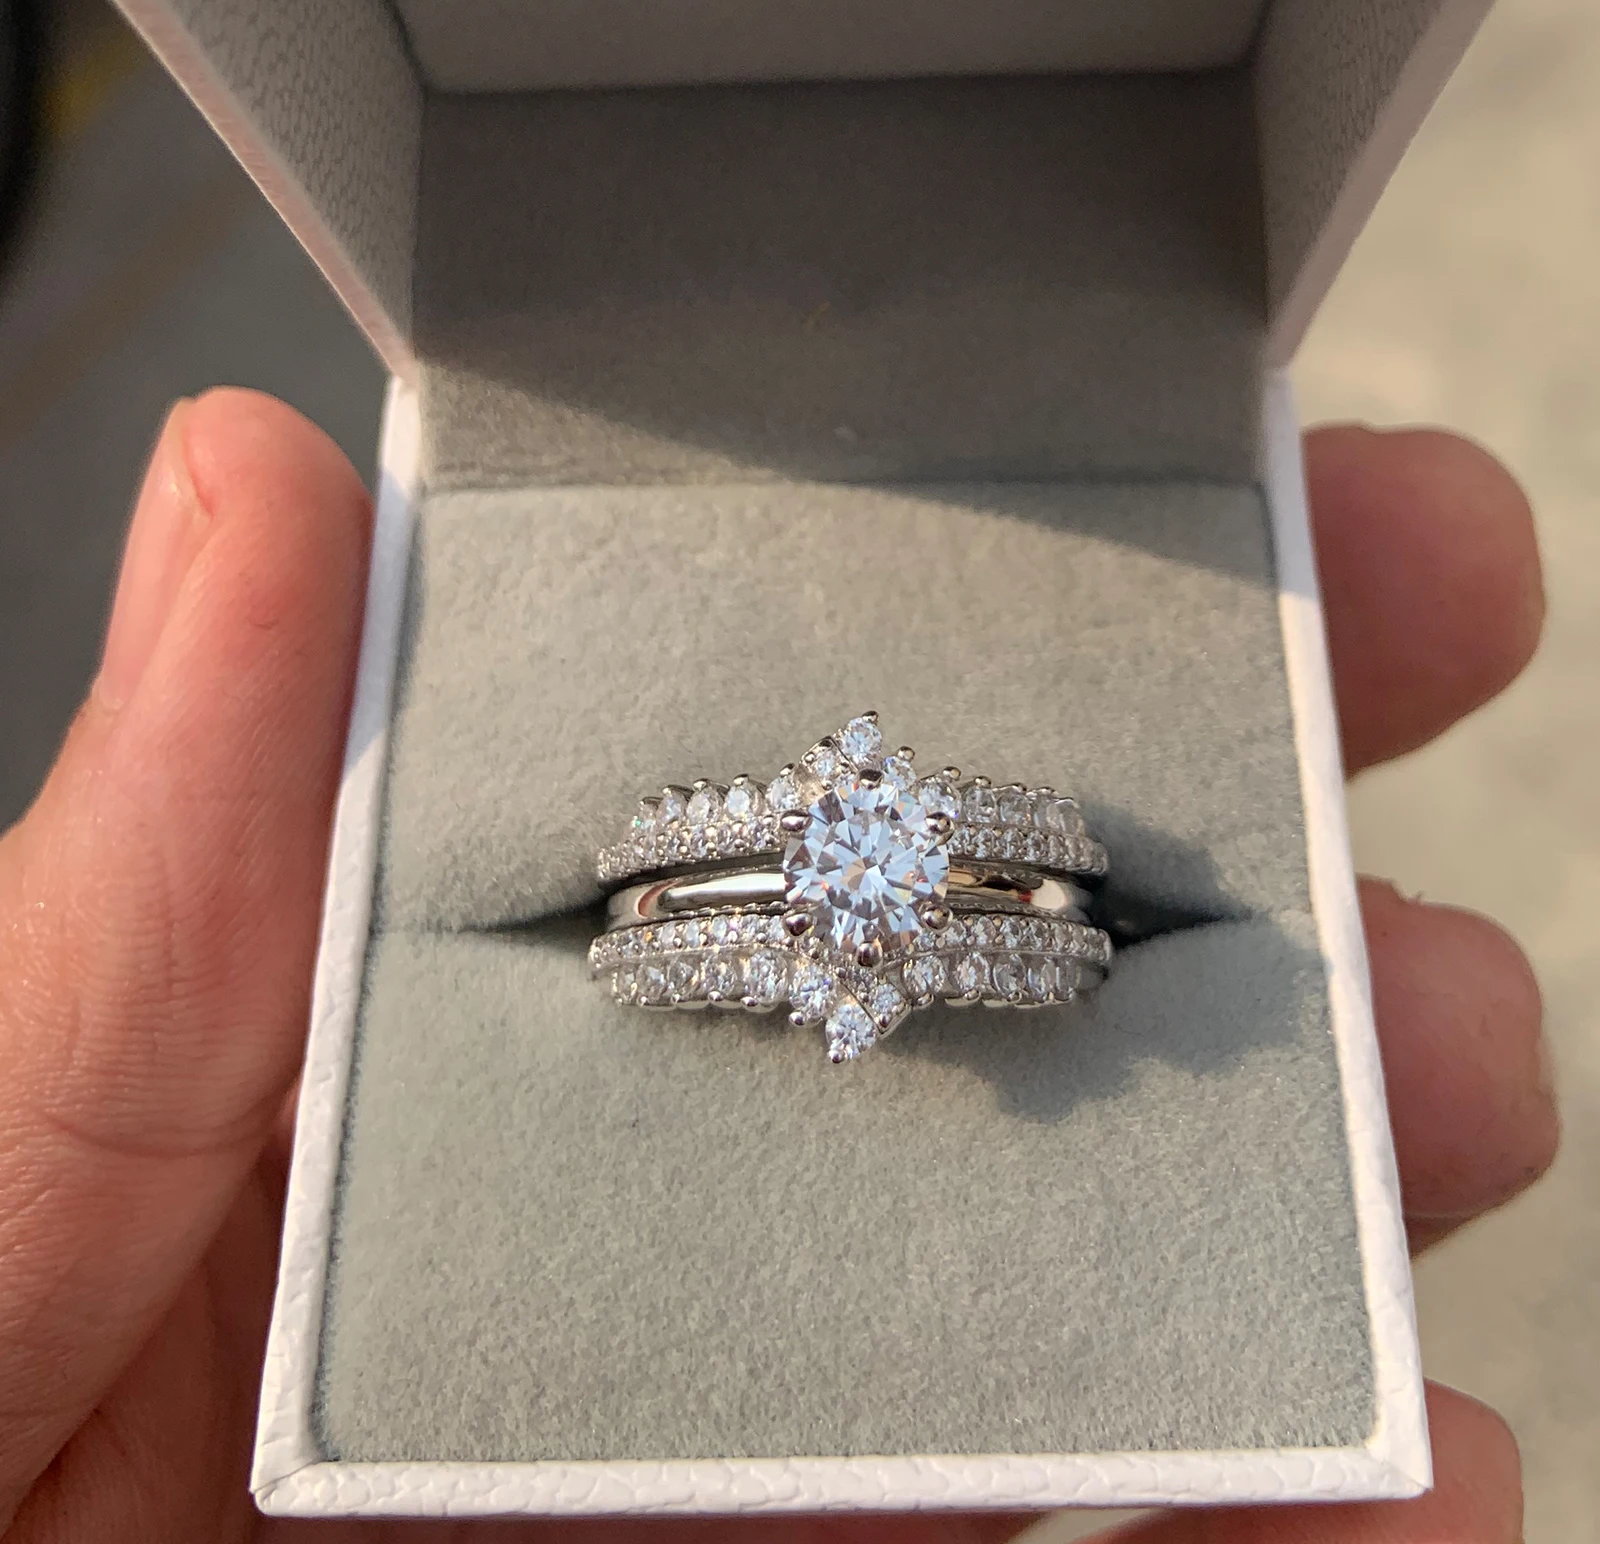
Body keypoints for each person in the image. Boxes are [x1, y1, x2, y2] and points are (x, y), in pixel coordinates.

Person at [0, 389, 1557, 1542]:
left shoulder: (989, 894)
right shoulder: (719, 911)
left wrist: (1021, 915)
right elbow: (647, 922)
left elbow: (1053, 915)